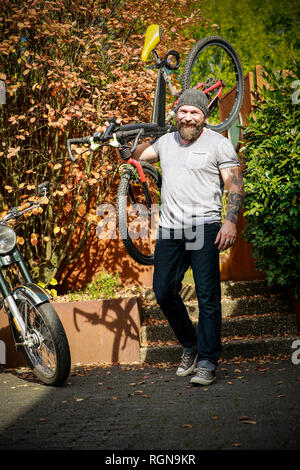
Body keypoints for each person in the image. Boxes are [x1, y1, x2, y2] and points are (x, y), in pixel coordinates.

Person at [124, 88, 245, 385]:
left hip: (204, 226)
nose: (188, 117)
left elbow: (235, 186)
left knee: (207, 296)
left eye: (195, 113)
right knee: (164, 291)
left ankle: (207, 360)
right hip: (170, 229)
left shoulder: (219, 144)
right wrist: (121, 141)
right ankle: (190, 344)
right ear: (176, 113)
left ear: (204, 116)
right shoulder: (165, 142)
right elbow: (137, 157)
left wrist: (230, 222)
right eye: (184, 112)